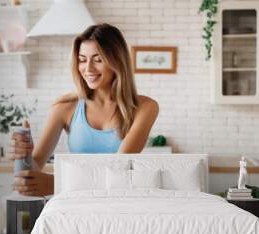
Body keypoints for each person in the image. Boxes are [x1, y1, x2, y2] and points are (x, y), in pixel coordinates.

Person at [8, 23, 159, 196]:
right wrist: (25, 156)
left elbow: (120, 168)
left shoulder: (145, 107)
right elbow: (35, 167)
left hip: (121, 203)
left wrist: (59, 184)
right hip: (76, 206)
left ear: (116, 61)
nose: (88, 69)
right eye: (82, 60)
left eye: (98, 59)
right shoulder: (64, 108)